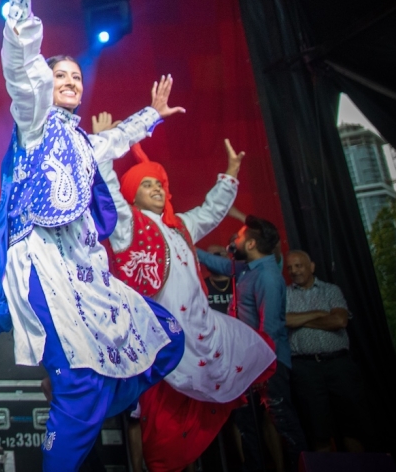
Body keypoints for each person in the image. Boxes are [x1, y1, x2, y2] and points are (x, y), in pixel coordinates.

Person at [0, 0, 185, 472]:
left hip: (88, 273)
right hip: (43, 265)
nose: (69, 83)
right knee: (81, 384)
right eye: (60, 77)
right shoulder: (35, 127)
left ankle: (74, 406)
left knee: (164, 338)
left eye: (76, 79)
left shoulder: (82, 141)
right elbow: (20, 68)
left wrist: (150, 116)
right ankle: (72, 413)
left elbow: (118, 139)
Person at [101, 136, 274, 472]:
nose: (155, 189)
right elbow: (110, 196)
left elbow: (211, 211)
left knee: (203, 413)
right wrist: (107, 154)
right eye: (146, 184)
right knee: (162, 434)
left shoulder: (181, 225)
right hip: (162, 342)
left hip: (201, 334)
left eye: (159, 184)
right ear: (132, 194)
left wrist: (231, 172)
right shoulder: (129, 227)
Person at [197, 216, 308, 471]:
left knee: (283, 422)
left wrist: (259, 368)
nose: (234, 240)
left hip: (268, 364)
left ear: (251, 244)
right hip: (251, 364)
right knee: (248, 425)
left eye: (238, 236)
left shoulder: (267, 276)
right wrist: (189, 248)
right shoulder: (249, 268)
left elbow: (268, 329)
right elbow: (221, 265)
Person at [284, 250, 367, 453]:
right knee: (318, 430)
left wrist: (300, 320)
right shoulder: (284, 294)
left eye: (299, 266)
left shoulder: (331, 290)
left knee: (352, 427)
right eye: (290, 267)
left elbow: (339, 321)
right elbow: (284, 320)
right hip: (305, 368)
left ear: (311, 267)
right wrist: (320, 314)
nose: (294, 271)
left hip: (339, 365)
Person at [204, 245, 235, 314]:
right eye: (209, 257)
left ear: (228, 257)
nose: (215, 260)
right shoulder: (201, 286)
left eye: (219, 255)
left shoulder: (240, 284)